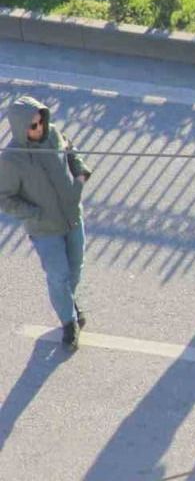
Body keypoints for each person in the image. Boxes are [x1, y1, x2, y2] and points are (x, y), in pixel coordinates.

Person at [0, 97, 92, 350]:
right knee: (58, 276)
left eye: (40, 122)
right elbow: (4, 198)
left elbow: (72, 153)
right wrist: (34, 213)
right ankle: (68, 323)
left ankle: (68, 303)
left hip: (72, 217)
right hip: (44, 229)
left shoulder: (53, 135)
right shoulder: (11, 160)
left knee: (76, 268)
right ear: (20, 128)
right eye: (32, 126)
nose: (38, 129)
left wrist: (81, 176)